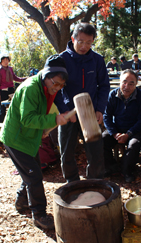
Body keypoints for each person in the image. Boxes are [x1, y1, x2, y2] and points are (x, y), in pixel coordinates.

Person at [0, 55, 70, 230]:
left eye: (62, 86)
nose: (58, 88)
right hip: (16, 138)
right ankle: (39, 214)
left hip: (28, 138)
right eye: (55, 84)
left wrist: (44, 130)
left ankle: (21, 203)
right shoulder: (31, 88)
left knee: (32, 172)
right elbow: (27, 118)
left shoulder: (46, 87)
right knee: (34, 176)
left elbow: (38, 113)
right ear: (46, 76)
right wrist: (54, 119)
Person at [55, 22, 110, 183]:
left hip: (90, 112)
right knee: (66, 152)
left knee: (95, 152)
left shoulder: (97, 60)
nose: (84, 46)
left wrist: (100, 109)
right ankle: (72, 183)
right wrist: (64, 110)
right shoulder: (61, 59)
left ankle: (95, 183)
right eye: (80, 41)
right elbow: (55, 89)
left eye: (88, 42)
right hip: (68, 112)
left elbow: (104, 86)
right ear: (73, 39)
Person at [103, 69, 141, 182]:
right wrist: (114, 133)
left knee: (134, 145)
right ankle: (112, 167)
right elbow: (106, 116)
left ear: (136, 84)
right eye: (124, 82)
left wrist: (128, 134)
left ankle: (126, 171)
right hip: (117, 129)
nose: (126, 86)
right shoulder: (113, 95)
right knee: (101, 139)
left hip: (135, 130)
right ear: (119, 82)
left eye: (131, 83)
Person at [0, 53, 26, 122]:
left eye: (7, 60)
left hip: (11, 89)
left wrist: (24, 79)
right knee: (3, 109)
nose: (6, 62)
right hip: (3, 91)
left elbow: (15, 78)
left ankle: (13, 122)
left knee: (14, 107)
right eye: (4, 60)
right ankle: (0, 125)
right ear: (1, 61)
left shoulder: (10, 69)